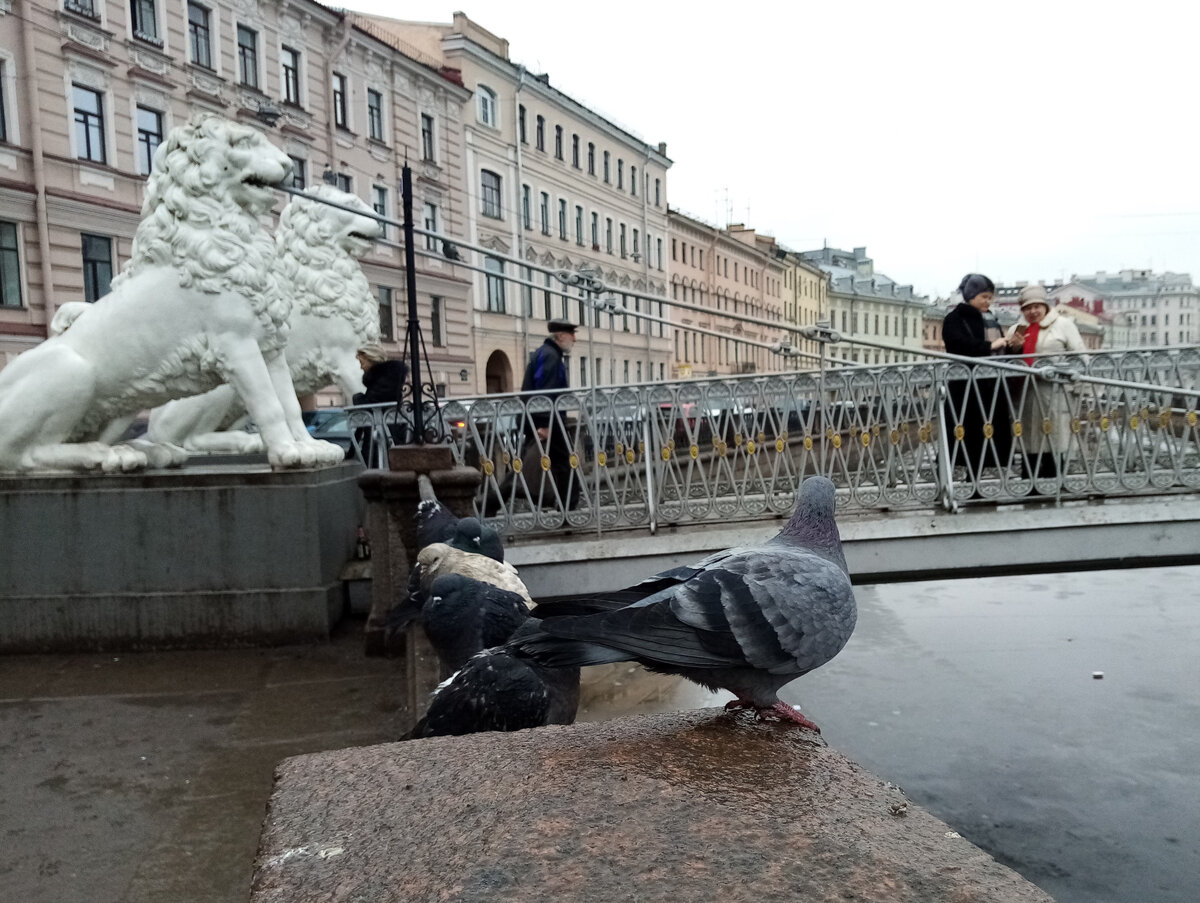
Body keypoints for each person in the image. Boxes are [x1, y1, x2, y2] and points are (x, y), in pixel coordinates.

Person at [1004, 284, 1087, 482]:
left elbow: (1080, 356)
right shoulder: (1016, 329)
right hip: (1026, 394)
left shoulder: (1063, 325)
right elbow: (1007, 363)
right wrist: (1013, 349)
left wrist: (1075, 384)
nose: (1032, 312)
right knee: (1029, 440)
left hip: (1054, 393)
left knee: (1053, 438)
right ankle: (1030, 484)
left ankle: (1053, 483)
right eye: (1027, 308)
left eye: (1036, 307)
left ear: (1045, 306)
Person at [941, 274, 1017, 485]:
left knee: (989, 435)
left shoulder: (991, 318)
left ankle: (978, 482)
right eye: (983, 296)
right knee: (969, 436)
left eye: (990, 297)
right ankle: (967, 482)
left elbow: (1000, 353)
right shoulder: (954, 318)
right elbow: (956, 345)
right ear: (971, 295)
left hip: (992, 388)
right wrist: (989, 346)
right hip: (966, 389)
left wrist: (1011, 345)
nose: (987, 301)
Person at [520, 319, 581, 510]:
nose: (574, 339)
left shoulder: (548, 354)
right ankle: (568, 509)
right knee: (564, 463)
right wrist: (546, 424)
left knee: (532, 463)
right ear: (561, 336)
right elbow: (545, 392)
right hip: (547, 420)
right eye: (572, 335)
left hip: (543, 419)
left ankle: (565, 506)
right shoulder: (550, 356)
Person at [351, 343, 410, 463]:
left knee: (382, 469)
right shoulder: (385, 378)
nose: (361, 367)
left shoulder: (383, 380)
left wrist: (357, 398)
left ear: (372, 360)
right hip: (384, 434)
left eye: (363, 363)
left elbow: (370, 404)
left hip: (384, 438)